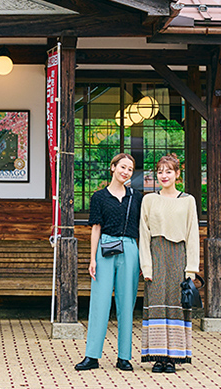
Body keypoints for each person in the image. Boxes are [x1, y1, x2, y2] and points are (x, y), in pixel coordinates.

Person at [75, 152, 142, 372]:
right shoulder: (99, 197)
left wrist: (143, 258)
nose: (125, 172)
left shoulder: (137, 197)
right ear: (112, 168)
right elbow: (95, 228)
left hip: (130, 249)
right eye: (122, 167)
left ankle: (124, 356)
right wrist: (92, 258)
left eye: (130, 169)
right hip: (105, 248)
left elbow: (143, 229)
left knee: (126, 303)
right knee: (99, 303)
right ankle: (92, 355)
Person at [138, 153, 200, 373]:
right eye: (160, 171)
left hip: (179, 255)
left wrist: (191, 269)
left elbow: (193, 235)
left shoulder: (188, 200)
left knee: (175, 304)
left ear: (177, 174)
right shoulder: (149, 199)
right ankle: (157, 356)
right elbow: (143, 235)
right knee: (156, 304)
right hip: (156, 254)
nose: (164, 175)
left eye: (168, 171)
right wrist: (146, 266)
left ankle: (173, 357)